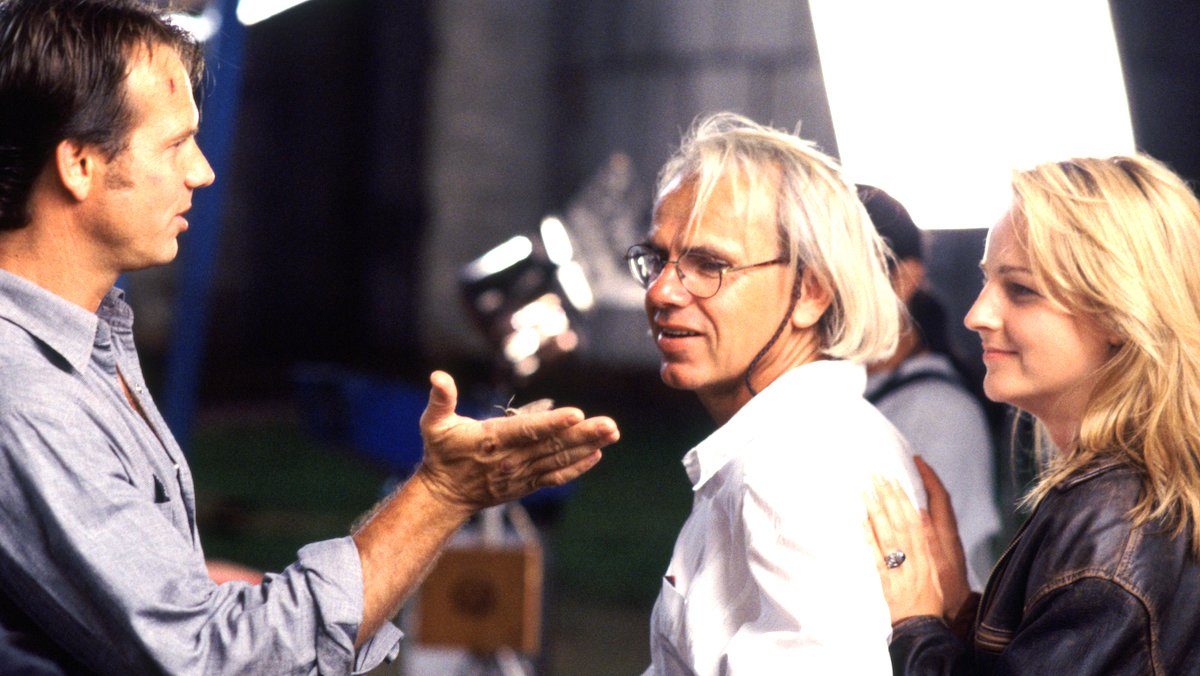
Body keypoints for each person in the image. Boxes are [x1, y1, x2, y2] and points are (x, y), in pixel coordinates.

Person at [0, 1, 620, 673]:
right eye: (175, 145)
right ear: (80, 164)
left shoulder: (88, 341)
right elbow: (207, 662)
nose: (201, 172)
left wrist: (192, 584)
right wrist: (441, 495)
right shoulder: (28, 394)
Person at [866, 154, 1200, 674]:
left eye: (1020, 289)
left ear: (1119, 311)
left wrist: (915, 625)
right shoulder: (1118, 507)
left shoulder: (1110, 529)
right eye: (986, 281)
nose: (977, 314)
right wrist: (960, 613)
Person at [626, 112, 924, 674]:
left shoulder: (791, 465)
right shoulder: (810, 436)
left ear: (811, 292)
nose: (663, 291)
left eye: (708, 265)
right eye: (658, 259)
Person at [859, 184, 1002, 589]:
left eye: (846, 272)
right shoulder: (846, 391)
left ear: (904, 278)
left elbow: (933, 580)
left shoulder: (938, 411)